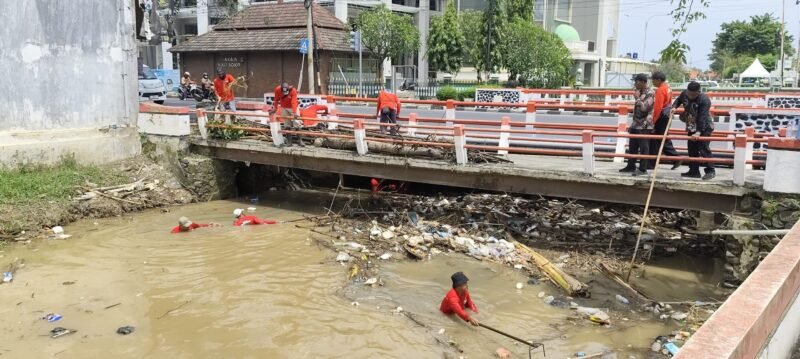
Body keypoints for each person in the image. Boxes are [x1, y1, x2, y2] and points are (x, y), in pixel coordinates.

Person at [670, 81, 715, 180]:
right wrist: (674, 107)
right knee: (692, 149)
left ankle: (710, 170)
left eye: (692, 94)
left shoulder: (704, 100)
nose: (690, 96)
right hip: (691, 125)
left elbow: (702, 117)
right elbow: (678, 100)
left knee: (703, 149)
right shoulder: (684, 93)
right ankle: (694, 171)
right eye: (689, 93)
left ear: (698, 92)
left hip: (704, 127)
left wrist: (698, 132)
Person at [619, 74, 655, 176]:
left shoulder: (650, 93)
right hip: (636, 124)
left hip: (644, 124)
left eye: (637, 82)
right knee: (632, 146)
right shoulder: (640, 92)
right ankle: (631, 165)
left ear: (643, 82)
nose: (635, 84)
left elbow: (645, 109)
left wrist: (637, 98)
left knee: (644, 147)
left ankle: (643, 169)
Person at [649, 71, 681, 170]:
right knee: (657, 139)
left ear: (658, 80)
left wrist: (654, 120)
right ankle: (652, 163)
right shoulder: (668, 88)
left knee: (661, 138)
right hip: (666, 115)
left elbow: (658, 107)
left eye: (653, 80)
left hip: (661, 116)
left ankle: (675, 158)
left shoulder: (660, 90)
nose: (652, 82)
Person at [273, 82, 303, 146]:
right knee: (287, 124)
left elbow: (294, 102)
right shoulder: (277, 90)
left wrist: (295, 113)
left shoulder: (293, 91)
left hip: (293, 107)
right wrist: (275, 108)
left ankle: (300, 141)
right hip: (284, 107)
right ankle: (289, 141)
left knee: (297, 123)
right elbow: (276, 99)